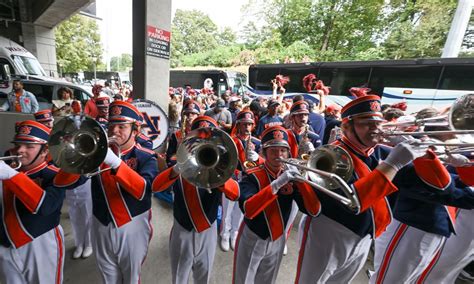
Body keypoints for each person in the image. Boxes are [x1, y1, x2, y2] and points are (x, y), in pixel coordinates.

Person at [295, 94, 430, 283]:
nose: (375, 129)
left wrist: (427, 153)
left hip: (365, 235)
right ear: (347, 126)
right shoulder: (329, 154)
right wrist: (392, 165)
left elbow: (432, 185)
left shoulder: (382, 152)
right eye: (367, 123)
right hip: (330, 231)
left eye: (378, 122)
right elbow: (353, 202)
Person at [370, 136, 474, 283]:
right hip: (413, 224)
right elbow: (448, 190)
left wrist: (464, 164)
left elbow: (454, 188)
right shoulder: (400, 158)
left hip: (424, 227)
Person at [153, 115, 239, 284]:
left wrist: (220, 177)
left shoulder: (222, 165)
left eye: (207, 140)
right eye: (199, 139)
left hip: (208, 229)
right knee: (179, 277)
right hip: (182, 229)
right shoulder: (178, 162)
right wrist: (178, 168)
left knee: (203, 276)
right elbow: (156, 187)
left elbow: (235, 194)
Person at [233, 125, 321, 284]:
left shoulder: (292, 176)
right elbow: (248, 209)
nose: (278, 155)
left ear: (288, 153)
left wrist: (303, 182)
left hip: (278, 238)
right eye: (273, 150)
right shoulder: (252, 175)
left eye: (282, 151)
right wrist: (277, 184)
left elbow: (313, 210)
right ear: (264, 153)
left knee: (268, 281)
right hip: (253, 236)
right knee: (243, 280)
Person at [0, 120, 83, 283]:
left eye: (29, 146)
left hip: (40, 242)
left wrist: (11, 175)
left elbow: (46, 206)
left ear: (45, 150)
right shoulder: (8, 168)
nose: (20, 151)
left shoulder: (55, 174)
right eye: (18, 144)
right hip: (5, 242)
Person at [89, 100, 158, 283]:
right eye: (112, 125)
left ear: (135, 130)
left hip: (132, 225)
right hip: (100, 224)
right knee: (107, 278)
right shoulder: (96, 153)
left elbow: (144, 190)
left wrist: (116, 163)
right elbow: (72, 181)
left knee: (131, 277)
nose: (114, 131)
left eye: (122, 126)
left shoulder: (146, 156)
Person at [220, 110, 263, 252]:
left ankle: (235, 233)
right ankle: (224, 234)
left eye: (249, 124)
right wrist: (237, 172)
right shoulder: (230, 141)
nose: (247, 127)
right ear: (238, 125)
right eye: (244, 124)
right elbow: (224, 163)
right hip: (232, 178)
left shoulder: (257, 142)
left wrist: (257, 157)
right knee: (227, 209)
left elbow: (262, 164)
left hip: (248, 181)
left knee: (240, 209)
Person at [166, 100, 201, 167]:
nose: (190, 116)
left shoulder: (202, 135)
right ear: (183, 116)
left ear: (198, 116)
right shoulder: (176, 135)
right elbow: (169, 158)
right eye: (187, 114)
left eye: (193, 114)